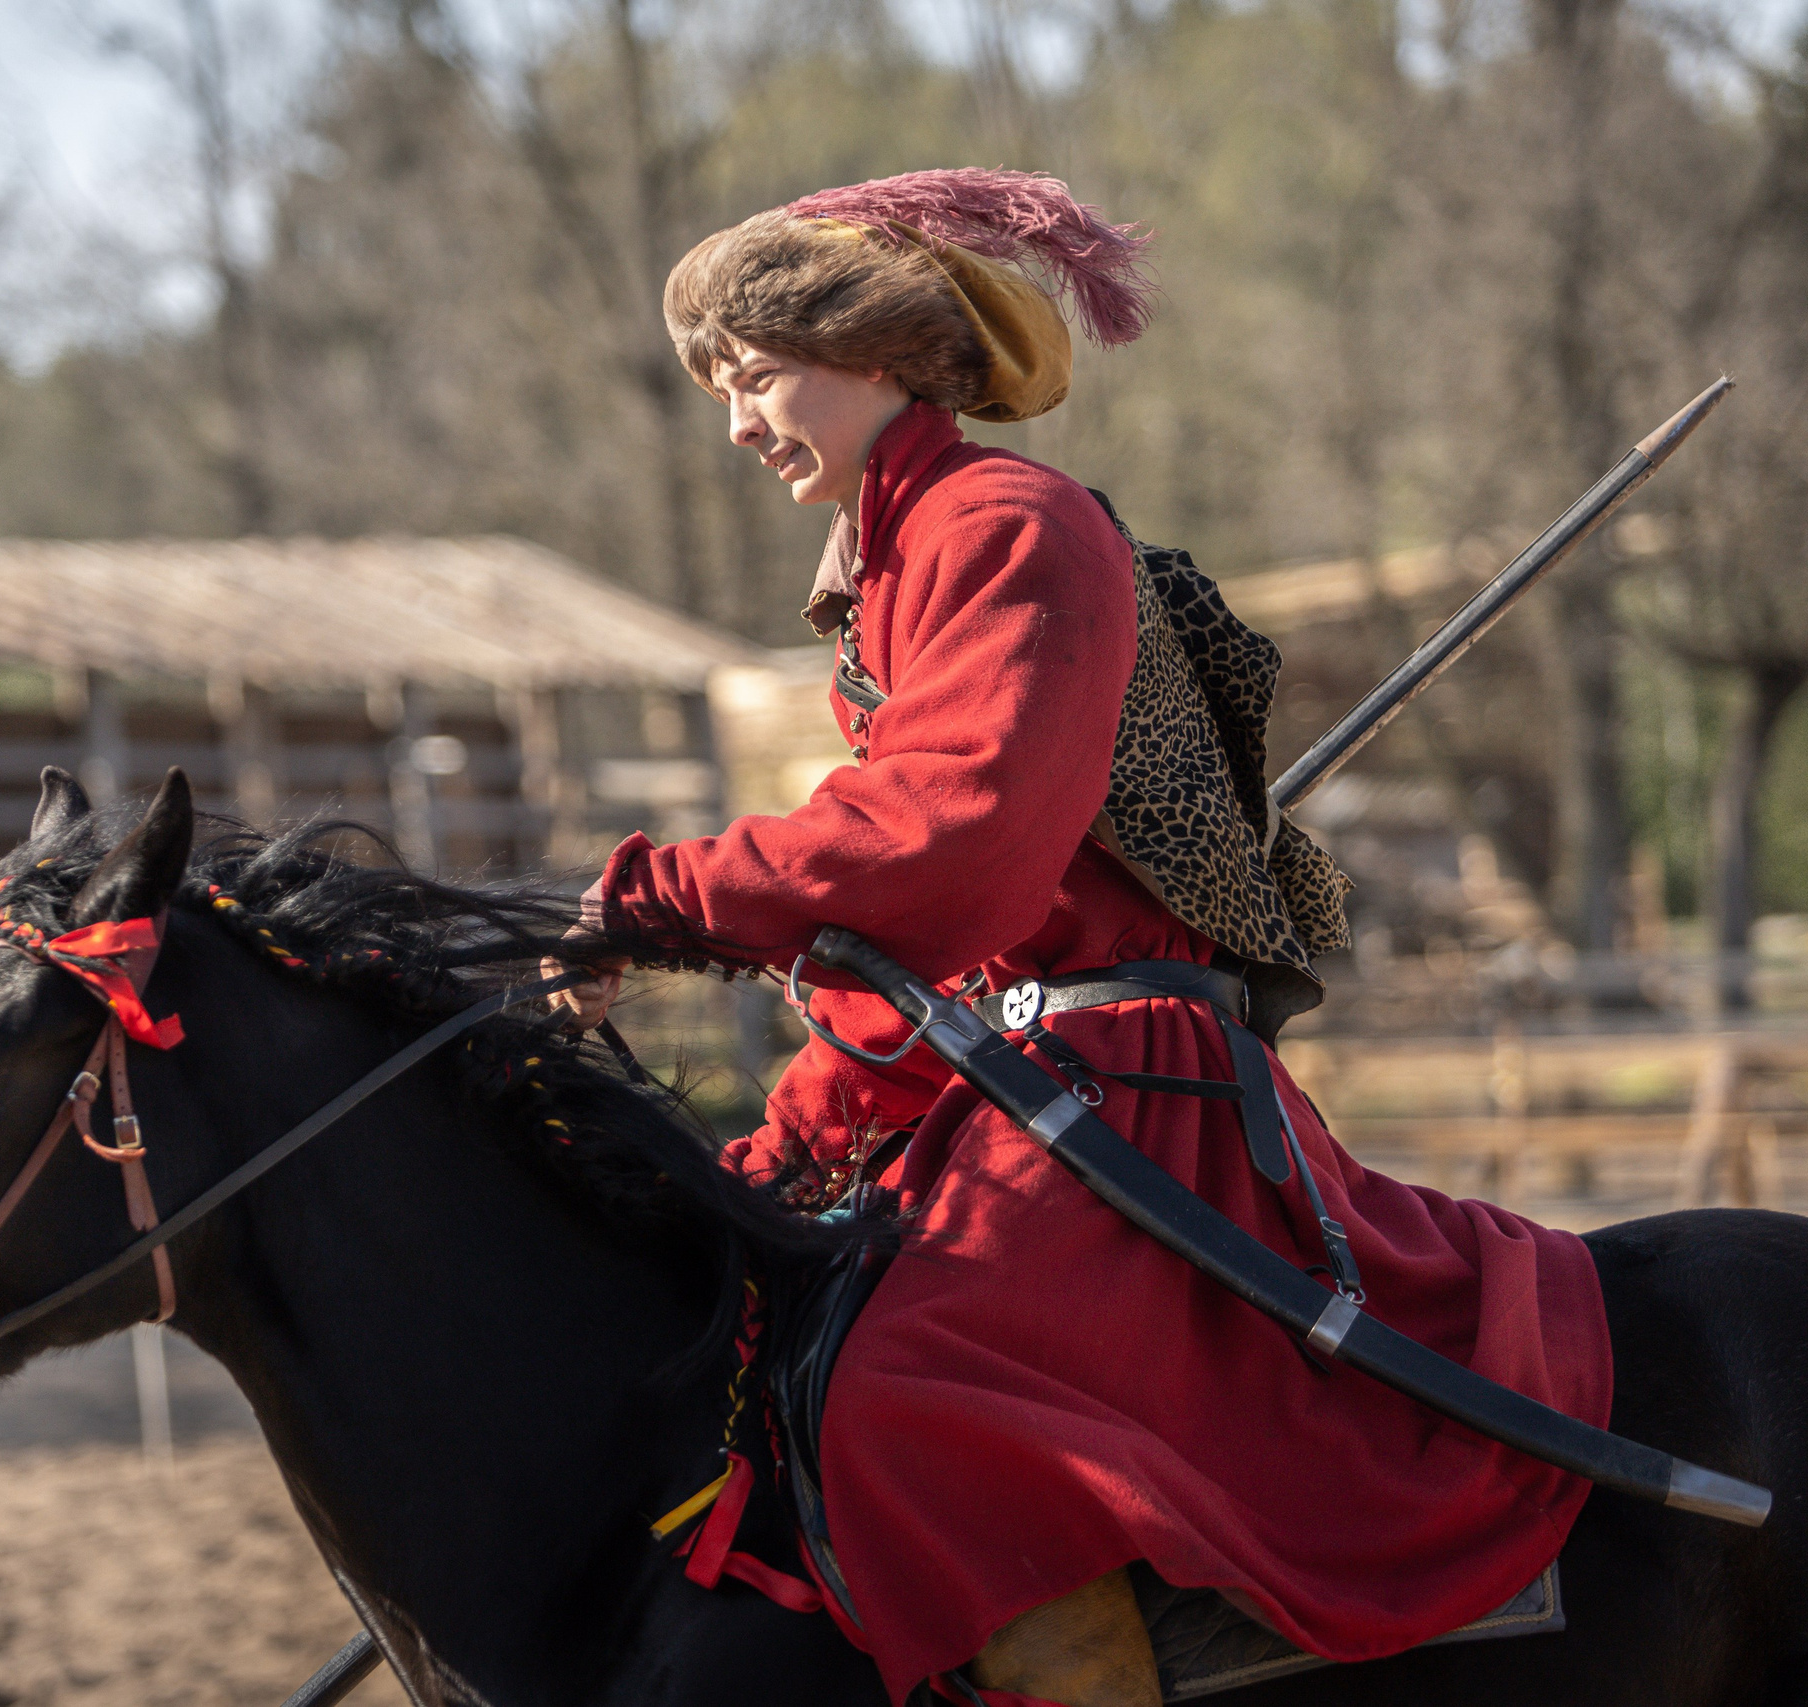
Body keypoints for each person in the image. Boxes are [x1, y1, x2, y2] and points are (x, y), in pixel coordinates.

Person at [549, 170, 1612, 1707]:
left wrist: (657, 896)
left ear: (879, 352)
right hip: (1013, 1067)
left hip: (1124, 1080)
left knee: (908, 1397)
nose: (736, 424)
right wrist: (787, 1150)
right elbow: (914, 964)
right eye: (719, 388)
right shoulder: (890, 580)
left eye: (756, 376)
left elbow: (948, 837)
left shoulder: (1009, 524)